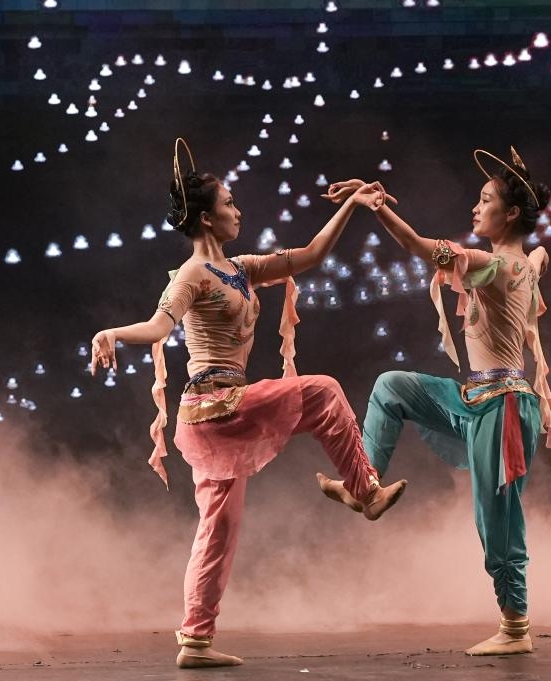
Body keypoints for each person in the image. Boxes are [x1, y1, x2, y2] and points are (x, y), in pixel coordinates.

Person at [90, 139, 407, 669]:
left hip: (222, 411)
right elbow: (158, 327)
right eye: (230, 203)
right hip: (214, 406)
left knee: (218, 529)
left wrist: (352, 205)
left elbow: (311, 255)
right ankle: (364, 491)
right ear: (207, 218)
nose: (238, 211)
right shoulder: (191, 275)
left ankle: (195, 642)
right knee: (323, 390)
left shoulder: (241, 268)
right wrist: (112, 333)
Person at [316, 147, 551, 656]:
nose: (475, 207)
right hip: (475, 398)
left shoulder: (494, 264)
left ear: (511, 212)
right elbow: (537, 258)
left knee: (496, 518)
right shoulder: (522, 262)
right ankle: (366, 489)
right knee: (391, 386)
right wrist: (539, 255)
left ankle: (515, 627)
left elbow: (419, 246)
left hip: (504, 409)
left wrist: (377, 206)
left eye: (485, 199)